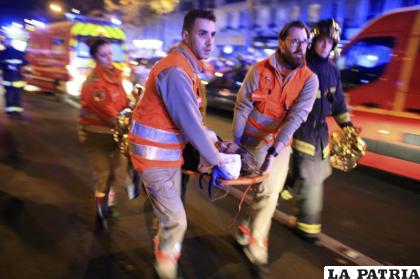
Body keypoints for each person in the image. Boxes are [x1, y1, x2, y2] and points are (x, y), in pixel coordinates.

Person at [128, 9, 232, 279]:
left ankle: (162, 250)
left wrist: (217, 142)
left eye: (212, 34)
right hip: (154, 161)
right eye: (202, 34)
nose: (210, 41)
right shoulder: (175, 71)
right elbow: (190, 124)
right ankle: (165, 267)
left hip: (167, 157)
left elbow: (194, 121)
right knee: (176, 220)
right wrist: (216, 160)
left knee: (166, 216)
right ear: (186, 35)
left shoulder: (186, 68)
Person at [232, 21, 319, 276]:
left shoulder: (309, 80)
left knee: (269, 193)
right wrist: (236, 144)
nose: (300, 47)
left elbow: (296, 117)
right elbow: (242, 107)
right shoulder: (258, 70)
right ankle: (245, 227)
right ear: (281, 42)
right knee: (257, 190)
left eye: (305, 42)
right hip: (249, 143)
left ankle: (256, 247)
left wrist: (274, 151)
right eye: (295, 41)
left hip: (277, 146)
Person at [288, 19, 353, 242]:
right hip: (302, 129)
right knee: (312, 176)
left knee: (310, 172)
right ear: (314, 41)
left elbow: (339, 103)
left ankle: (285, 190)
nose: (326, 46)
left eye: (330, 42)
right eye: (322, 41)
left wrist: (348, 127)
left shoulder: (333, 71)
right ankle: (308, 228)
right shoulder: (302, 66)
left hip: (321, 133)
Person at [79, 38, 129, 229]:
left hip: (115, 135)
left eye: (110, 53)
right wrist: (125, 120)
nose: (110, 58)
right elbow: (108, 111)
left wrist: (132, 106)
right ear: (95, 58)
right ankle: (101, 211)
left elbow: (123, 102)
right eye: (104, 55)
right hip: (96, 135)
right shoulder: (94, 83)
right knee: (103, 173)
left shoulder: (115, 77)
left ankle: (109, 202)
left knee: (114, 173)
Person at [0, 38, 27, 116]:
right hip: (18, 79)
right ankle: (17, 110)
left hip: (7, 79)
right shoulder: (19, 53)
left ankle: (10, 110)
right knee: (17, 94)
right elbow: (25, 64)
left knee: (9, 94)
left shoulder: (2, 54)